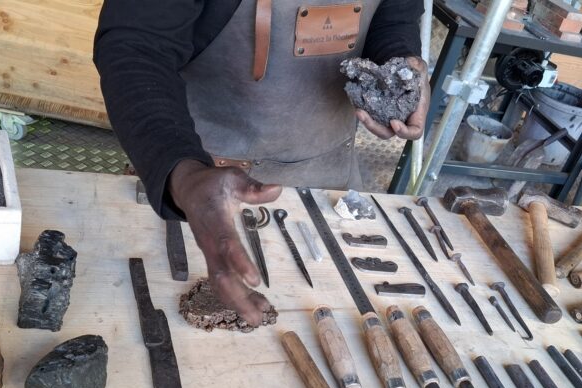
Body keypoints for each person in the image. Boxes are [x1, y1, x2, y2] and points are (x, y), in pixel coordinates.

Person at [94, 0, 429, 325]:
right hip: (202, 202)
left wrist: (400, 68)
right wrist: (183, 172)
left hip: (331, 188)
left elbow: (396, 14)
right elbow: (136, 45)